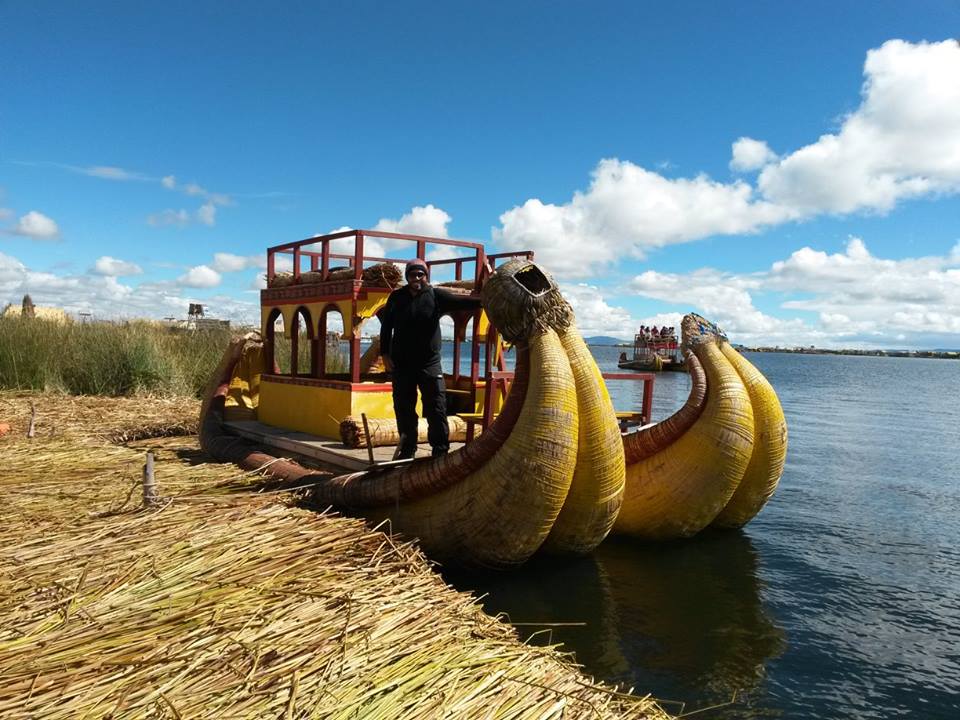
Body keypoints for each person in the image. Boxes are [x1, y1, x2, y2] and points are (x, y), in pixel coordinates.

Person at [379, 259, 482, 459]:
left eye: (421, 275)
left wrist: (485, 300)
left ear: (426, 276)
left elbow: (464, 302)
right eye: (412, 275)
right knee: (404, 408)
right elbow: (386, 327)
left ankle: (440, 451)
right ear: (406, 276)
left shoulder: (436, 296)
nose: (416, 278)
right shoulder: (397, 297)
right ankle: (407, 450)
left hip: (429, 363)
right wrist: (385, 354)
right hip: (402, 364)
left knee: (436, 407)